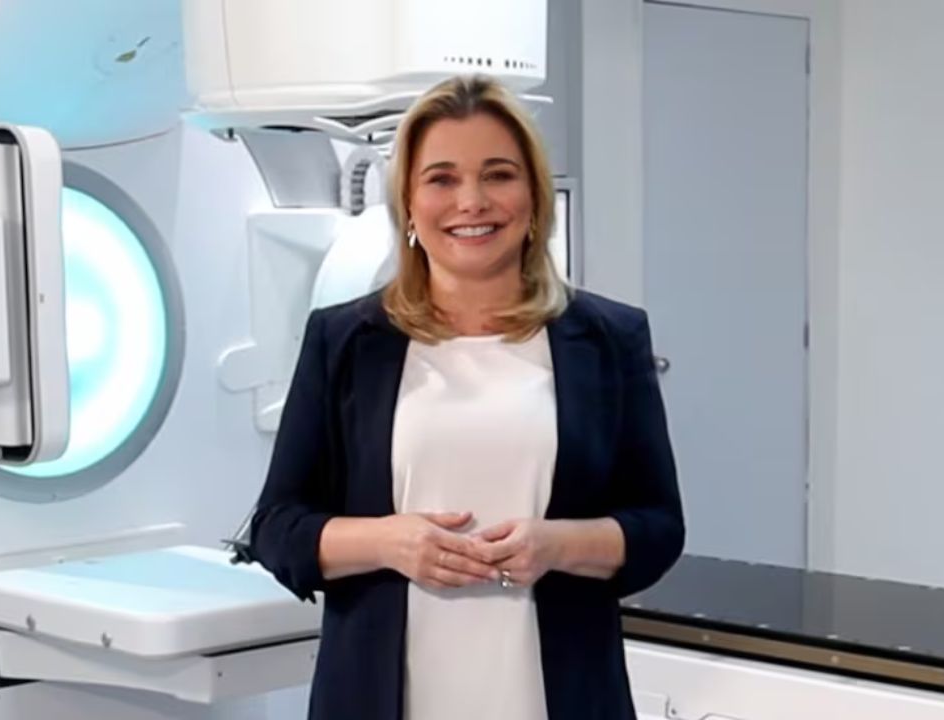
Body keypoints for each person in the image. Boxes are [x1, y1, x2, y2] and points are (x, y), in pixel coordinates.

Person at [250, 74, 684, 720]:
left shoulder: (610, 338)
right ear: (408, 203)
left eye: (498, 175)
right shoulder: (345, 342)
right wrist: (390, 542)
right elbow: (277, 528)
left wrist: (557, 545)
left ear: (534, 197)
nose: (472, 201)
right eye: (442, 178)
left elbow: (658, 528)